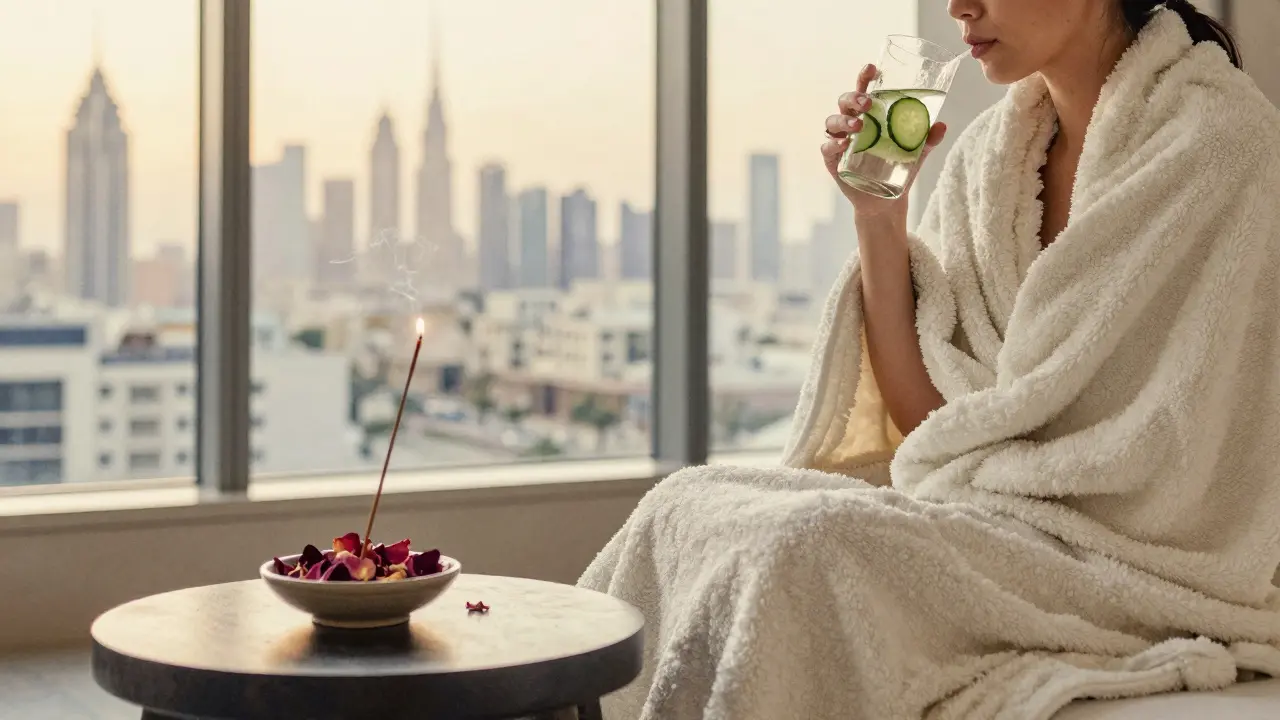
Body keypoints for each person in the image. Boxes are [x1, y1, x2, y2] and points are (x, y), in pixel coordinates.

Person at [581, 1, 1280, 718]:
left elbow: (1189, 483)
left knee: (804, 544)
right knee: (682, 505)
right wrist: (878, 216)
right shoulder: (989, 164)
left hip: (1136, 565)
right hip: (991, 525)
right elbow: (933, 428)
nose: (957, 7)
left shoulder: (1220, 145)